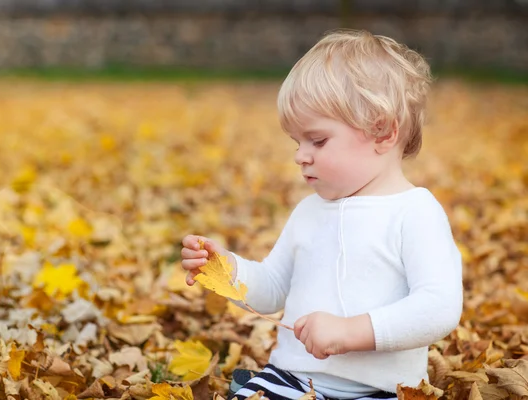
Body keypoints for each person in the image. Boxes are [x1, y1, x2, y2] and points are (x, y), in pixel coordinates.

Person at [180, 29, 463, 400]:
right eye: (297, 143)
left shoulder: (414, 211)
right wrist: (226, 269)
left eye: (318, 140)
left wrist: (351, 332)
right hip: (292, 380)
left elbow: (438, 306)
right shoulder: (308, 212)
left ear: (383, 132)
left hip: (382, 392)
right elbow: (271, 287)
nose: (300, 155)